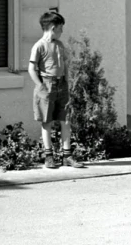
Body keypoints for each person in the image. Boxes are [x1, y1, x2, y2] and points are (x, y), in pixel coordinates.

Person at [28, 11, 84, 169]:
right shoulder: (39, 46)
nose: (62, 31)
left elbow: (63, 65)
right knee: (47, 122)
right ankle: (49, 156)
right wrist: (40, 86)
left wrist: (67, 81)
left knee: (65, 120)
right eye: (60, 28)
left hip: (61, 85)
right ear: (53, 28)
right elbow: (31, 68)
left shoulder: (59, 44)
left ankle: (67, 156)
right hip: (47, 85)